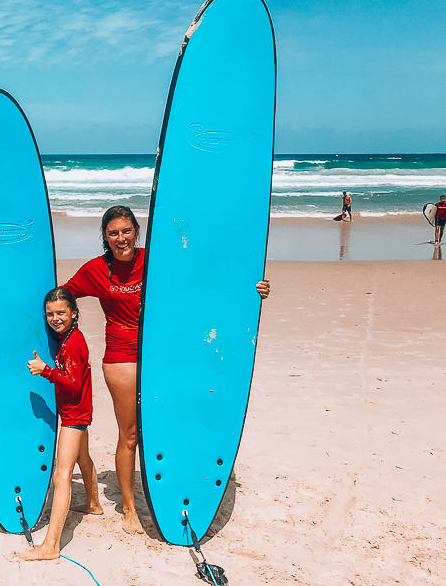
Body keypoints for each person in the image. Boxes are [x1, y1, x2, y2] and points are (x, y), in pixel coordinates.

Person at [60, 205, 270, 535]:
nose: (120, 238)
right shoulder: (97, 271)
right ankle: (129, 507)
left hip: (161, 357)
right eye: (113, 233)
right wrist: (63, 332)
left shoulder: (154, 261)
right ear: (104, 236)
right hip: (121, 358)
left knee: (168, 428)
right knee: (129, 435)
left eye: (126, 231)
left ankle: (171, 487)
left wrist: (250, 290)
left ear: (136, 232)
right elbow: (62, 296)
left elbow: (201, 283)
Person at [18, 288, 102, 561]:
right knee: (83, 459)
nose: (55, 318)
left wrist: (46, 372)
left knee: (61, 475)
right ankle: (93, 503)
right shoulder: (68, 339)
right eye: (50, 314)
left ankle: (51, 545)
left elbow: (74, 385)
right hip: (78, 411)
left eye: (61, 313)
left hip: (74, 415)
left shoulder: (73, 343)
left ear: (74, 313)